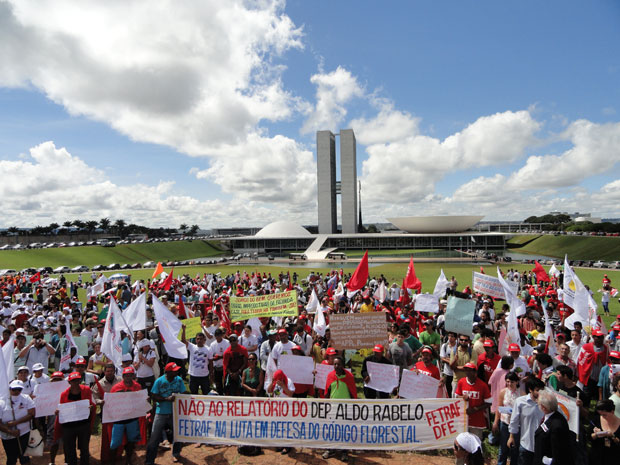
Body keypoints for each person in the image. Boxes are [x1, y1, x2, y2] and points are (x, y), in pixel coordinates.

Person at [145, 362, 186, 465]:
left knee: (178, 435)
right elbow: (154, 396)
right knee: (154, 437)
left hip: (175, 413)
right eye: (174, 371)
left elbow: (184, 393)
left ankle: (176, 453)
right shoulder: (159, 381)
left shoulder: (179, 380)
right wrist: (166, 399)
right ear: (167, 372)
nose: (176, 372)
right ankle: (149, 461)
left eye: (176, 370)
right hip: (161, 412)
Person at [56, 371, 96, 465]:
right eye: (73, 381)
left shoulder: (86, 390)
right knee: (70, 449)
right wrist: (58, 412)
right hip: (69, 426)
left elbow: (91, 404)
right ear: (69, 382)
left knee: (84, 448)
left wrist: (90, 408)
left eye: (77, 380)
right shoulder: (64, 394)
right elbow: (62, 408)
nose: (76, 383)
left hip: (83, 424)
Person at [323, 356, 356, 461]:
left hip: (345, 408)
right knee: (331, 429)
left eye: (339, 364)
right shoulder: (330, 376)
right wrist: (326, 405)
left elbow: (353, 393)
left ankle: (344, 451)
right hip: (333, 407)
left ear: (343, 365)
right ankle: (330, 449)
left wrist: (352, 406)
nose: (336, 366)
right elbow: (327, 392)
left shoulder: (349, 376)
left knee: (344, 430)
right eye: (335, 364)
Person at [109, 366, 144, 465]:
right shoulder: (116, 388)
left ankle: (128, 460)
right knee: (115, 443)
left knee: (131, 441)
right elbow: (110, 402)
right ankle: (112, 462)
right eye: (126, 376)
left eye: (130, 375)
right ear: (123, 376)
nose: (128, 377)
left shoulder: (137, 386)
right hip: (119, 420)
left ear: (133, 376)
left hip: (132, 419)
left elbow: (140, 402)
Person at [507, 376, 545, 465]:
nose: (541, 393)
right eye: (537, 390)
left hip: (542, 447)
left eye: (542, 390)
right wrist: (511, 437)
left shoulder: (547, 403)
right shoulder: (520, 402)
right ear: (530, 390)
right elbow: (514, 421)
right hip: (526, 445)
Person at [534, 390, 575, 465]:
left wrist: (549, 461)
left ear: (543, 407)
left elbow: (558, 452)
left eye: (539, 403)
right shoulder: (550, 416)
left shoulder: (557, 425)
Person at [454, 362, 492, 444]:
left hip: (477, 421)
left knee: (476, 444)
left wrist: (476, 409)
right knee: (462, 444)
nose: (467, 372)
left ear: (475, 372)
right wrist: (462, 397)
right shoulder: (461, 382)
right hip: (463, 420)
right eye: (466, 370)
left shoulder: (482, 385)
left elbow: (489, 402)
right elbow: (456, 396)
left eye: (470, 370)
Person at [0, 380, 35, 465]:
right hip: (8, 436)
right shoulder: (2, 402)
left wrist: (16, 422)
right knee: (11, 458)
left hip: (24, 433)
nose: (16, 391)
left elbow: (31, 414)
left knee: (25, 457)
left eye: (19, 389)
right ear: (9, 389)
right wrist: (10, 431)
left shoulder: (26, 398)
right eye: (14, 389)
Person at [493, 372, 520, 465]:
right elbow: (499, 408)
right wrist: (495, 423)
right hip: (504, 423)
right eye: (507, 381)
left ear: (517, 382)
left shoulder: (522, 393)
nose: (509, 384)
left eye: (512, 382)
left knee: (515, 449)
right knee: (503, 448)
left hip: (517, 425)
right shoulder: (503, 392)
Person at [181, 324, 214, 395]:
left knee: (206, 393)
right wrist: (183, 330)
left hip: (204, 376)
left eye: (201, 339)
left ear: (204, 340)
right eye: (198, 339)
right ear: (195, 340)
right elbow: (183, 340)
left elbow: (211, 363)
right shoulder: (192, 347)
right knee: (194, 393)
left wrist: (211, 375)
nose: (199, 340)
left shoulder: (208, 349)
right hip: (193, 375)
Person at [441, 332, 458, 397]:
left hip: (456, 373)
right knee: (448, 390)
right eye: (449, 336)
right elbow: (442, 358)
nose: (450, 338)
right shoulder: (445, 346)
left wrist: (449, 360)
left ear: (456, 338)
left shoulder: (458, 347)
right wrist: (451, 361)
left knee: (455, 391)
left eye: (452, 336)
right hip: (447, 372)